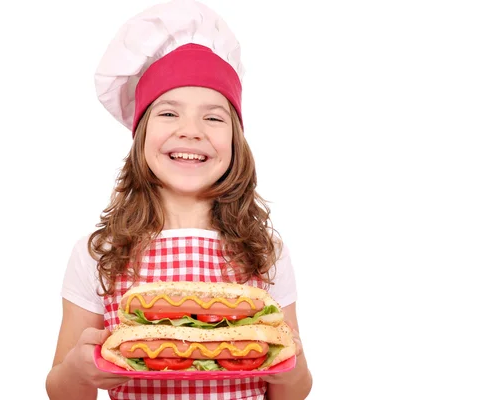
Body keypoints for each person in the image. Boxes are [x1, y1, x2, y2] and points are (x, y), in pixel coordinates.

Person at [45, 1, 313, 399]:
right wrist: (79, 373)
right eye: (169, 114)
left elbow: (293, 391)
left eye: (214, 117)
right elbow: (61, 390)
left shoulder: (267, 252)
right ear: (140, 137)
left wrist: (288, 361)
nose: (191, 131)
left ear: (237, 143)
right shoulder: (98, 252)